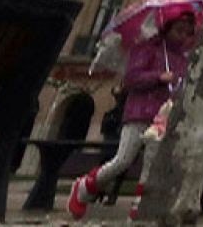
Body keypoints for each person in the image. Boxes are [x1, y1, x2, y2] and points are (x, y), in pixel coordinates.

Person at [68, 15, 195, 221]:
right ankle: (84, 186)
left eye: (186, 32)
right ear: (167, 28)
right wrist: (158, 77)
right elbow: (131, 78)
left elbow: (179, 87)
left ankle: (139, 209)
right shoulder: (147, 48)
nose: (182, 35)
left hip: (162, 116)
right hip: (139, 112)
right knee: (123, 159)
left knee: (151, 164)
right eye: (178, 30)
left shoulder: (182, 58)